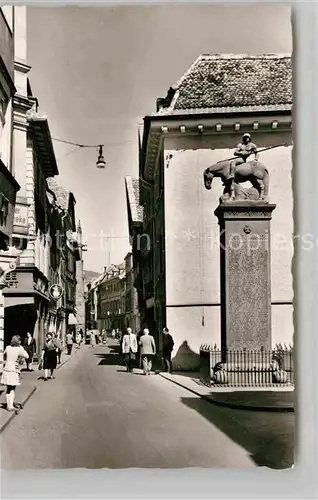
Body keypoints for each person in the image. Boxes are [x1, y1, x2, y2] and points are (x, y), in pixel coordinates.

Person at [1, 335, 29, 412]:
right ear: (19, 341)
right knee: (12, 388)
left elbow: (4, 354)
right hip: (13, 369)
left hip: (7, 369)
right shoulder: (19, 349)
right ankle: (10, 406)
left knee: (8, 388)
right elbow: (27, 356)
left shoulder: (8, 347)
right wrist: (21, 350)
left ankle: (8, 405)